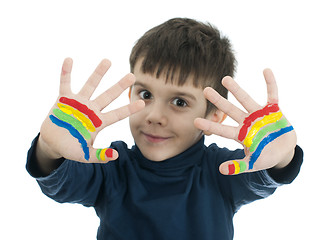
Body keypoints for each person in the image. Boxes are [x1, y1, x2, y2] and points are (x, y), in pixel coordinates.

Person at [26, 18, 303, 239]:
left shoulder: (223, 172)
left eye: (179, 101)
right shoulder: (111, 167)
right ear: (130, 93)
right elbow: (61, 184)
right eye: (145, 94)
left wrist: (282, 157)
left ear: (215, 115)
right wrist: (49, 149)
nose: (154, 115)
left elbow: (261, 176)